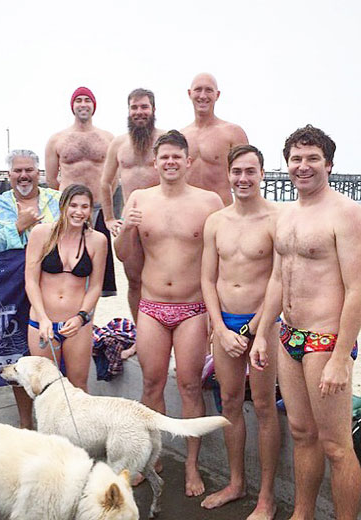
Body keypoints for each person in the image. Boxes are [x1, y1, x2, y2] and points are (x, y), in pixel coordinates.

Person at [250, 125, 361, 520]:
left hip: (325, 339)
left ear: (329, 164)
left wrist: (341, 357)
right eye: (296, 159)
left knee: (336, 446)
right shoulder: (285, 215)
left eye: (312, 158)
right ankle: (303, 514)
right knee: (302, 434)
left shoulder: (346, 213)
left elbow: (357, 288)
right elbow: (279, 279)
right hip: (288, 336)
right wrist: (263, 333)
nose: (303, 166)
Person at [114, 130, 223, 495]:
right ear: (155, 162)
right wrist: (127, 227)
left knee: (191, 386)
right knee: (151, 384)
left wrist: (216, 318)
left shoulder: (209, 202)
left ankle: (192, 466)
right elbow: (124, 254)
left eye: (178, 156)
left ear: (188, 161)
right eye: (165, 157)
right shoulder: (140, 199)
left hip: (193, 308)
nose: (171, 162)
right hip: (152, 306)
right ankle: (152, 459)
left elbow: (223, 256)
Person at [201, 145, 280, 519]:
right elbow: (207, 278)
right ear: (229, 174)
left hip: (264, 324)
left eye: (251, 171)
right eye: (237, 172)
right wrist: (218, 328)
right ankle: (236, 483)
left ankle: (266, 497)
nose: (243, 179)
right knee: (230, 402)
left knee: (264, 407)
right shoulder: (216, 221)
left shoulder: (276, 220)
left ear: (263, 173)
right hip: (224, 325)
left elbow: (279, 282)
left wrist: (254, 329)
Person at [0, 149, 61, 427]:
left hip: (53, 288)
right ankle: (26, 423)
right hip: (13, 292)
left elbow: (75, 235)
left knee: (53, 354)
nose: (24, 175)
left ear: (38, 173)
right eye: (18, 170)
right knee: (20, 358)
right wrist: (20, 225)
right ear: (9, 175)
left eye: (29, 170)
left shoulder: (56, 200)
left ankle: (55, 423)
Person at [24, 184, 107, 390]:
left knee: (78, 385)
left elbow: (95, 286)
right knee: (45, 388)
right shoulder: (42, 233)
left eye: (85, 207)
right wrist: (43, 318)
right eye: (74, 205)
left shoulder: (98, 240)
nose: (79, 212)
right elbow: (31, 280)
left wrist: (81, 317)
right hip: (42, 322)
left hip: (76, 324)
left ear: (90, 210)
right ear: (63, 206)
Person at [100, 88, 165, 322]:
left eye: (144, 107)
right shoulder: (119, 144)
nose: (139, 112)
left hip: (163, 223)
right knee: (134, 280)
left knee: (164, 281)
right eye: (134, 107)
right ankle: (141, 332)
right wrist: (108, 218)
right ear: (128, 111)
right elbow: (105, 183)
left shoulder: (166, 140)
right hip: (132, 223)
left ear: (153, 109)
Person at [45, 86, 116, 296]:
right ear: (72, 106)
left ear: (94, 106)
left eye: (87, 100)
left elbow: (115, 177)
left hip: (99, 209)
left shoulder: (108, 139)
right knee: (66, 264)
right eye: (79, 100)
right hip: (68, 210)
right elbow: (51, 179)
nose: (83, 104)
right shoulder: (57, 140)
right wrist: (69, 204)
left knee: (97, 268)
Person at [181, 73, 248, 206]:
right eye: (198, 89)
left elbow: (248, 175)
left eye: (209, 90)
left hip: (222, 211)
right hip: (189, 213)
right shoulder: (181, 136)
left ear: (217, 95)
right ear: (189, 93)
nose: (203, 96)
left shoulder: (233, 133)